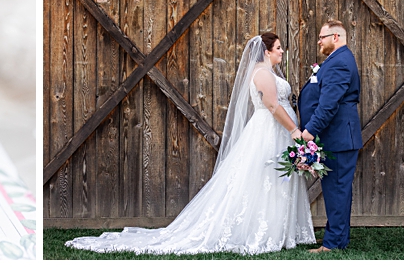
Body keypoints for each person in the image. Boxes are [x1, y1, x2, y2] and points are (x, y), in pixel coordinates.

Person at [65, 32, 316, 255]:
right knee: (265, 179)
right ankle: (264, 231)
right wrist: (294, 129)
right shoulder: (262, 74)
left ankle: (279, 230)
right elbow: (272, 106)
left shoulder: (268, 73)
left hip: (276, 133)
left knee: (273, 179)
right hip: (269, 132)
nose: (282, 51)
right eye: (279, 47)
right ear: (266, 51)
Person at [297, 19, 361, 252]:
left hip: (338, 138)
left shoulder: (339, 63)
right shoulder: (336, 61)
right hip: (337, 137)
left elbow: (328, 105)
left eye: (322, 37)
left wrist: (309, 132)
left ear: (335, 37)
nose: (319, 42)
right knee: (338, 190)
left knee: (337, 191)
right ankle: (338, 240)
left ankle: (333, 244)